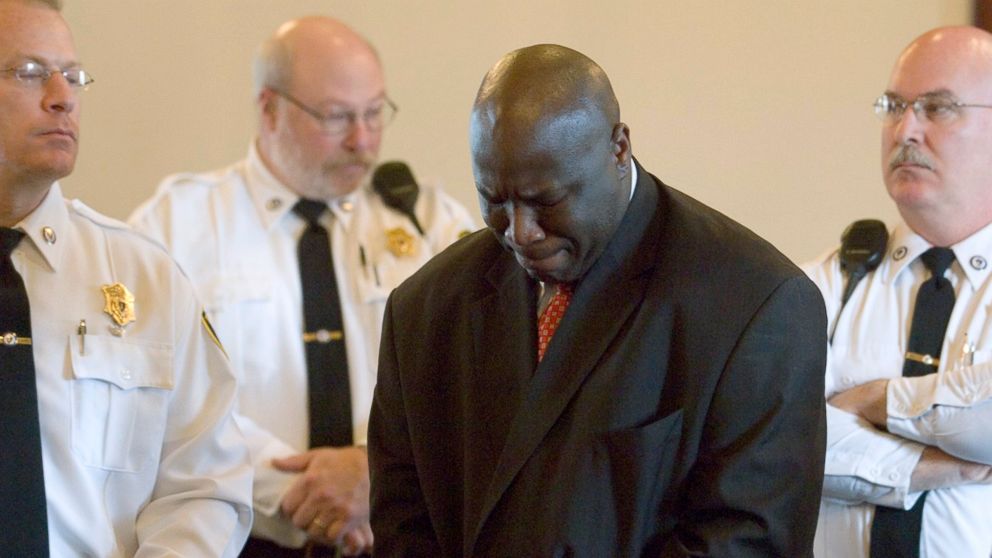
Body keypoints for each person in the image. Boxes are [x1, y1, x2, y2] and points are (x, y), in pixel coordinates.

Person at [368, 43, 828, 557]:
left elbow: (749, 539)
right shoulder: (424, 309)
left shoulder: (754, 304)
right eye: (494, 200)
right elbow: (401, 522)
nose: (520, 232)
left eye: (545, 200)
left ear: (618, 150)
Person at [128, 15, 475, 557]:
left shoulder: (427, 222)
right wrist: (297, 490)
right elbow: (151, 397)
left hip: (400, 538)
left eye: (374, 112)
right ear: (268, 107)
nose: (363, 141)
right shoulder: (176, 225)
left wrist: (372, 470)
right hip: (243, 539)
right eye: (336, 117)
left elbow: (480, 378)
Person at [0, 0, 253, 555]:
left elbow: (205, 484)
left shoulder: (145, 275)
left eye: (72, 76)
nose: (63, 96)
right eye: (30, 73)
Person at [805, 26, 992, 558]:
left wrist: (876, 400)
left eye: (937, 108)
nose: (905, 128)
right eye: (894, 105)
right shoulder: (823, 284)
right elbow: (780, 439)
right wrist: (921, 466)